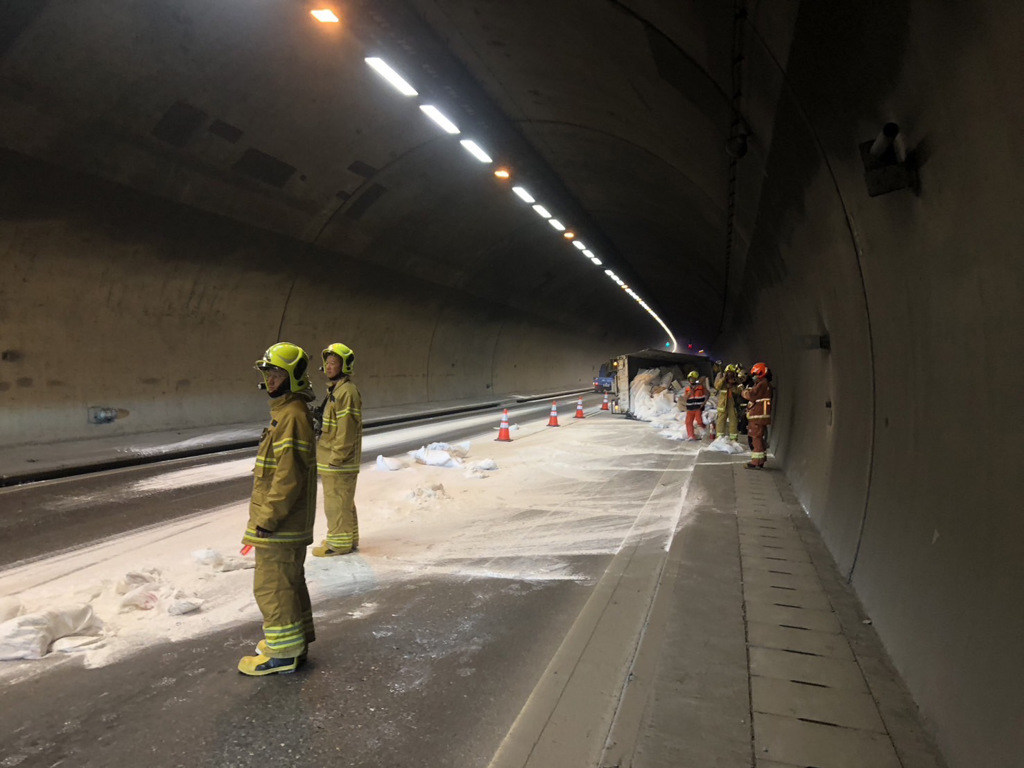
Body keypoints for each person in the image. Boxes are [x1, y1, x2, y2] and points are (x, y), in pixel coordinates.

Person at [239, 342, 317, 676]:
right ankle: (292, 641)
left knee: (272, 586)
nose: (271, 380)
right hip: (285, 521)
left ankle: (282, 654)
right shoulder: (287, 413)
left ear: (294, 377)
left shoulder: (292, 417)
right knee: (288, 582)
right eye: (268, 373)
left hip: (281, 522)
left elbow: (288, 477)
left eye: (277, 374)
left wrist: (267, 519)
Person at [313, 343, 362, 557]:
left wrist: (337, 457)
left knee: (336, 504)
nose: (329, 366)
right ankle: (347, 538)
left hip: (338, 461)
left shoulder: (347, 393)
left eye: (334, 363)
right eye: (328, 363)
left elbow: (346, 430)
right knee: (344, 502)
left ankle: (337, 544)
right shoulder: (337, 390)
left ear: (345, 366)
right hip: (333, 458)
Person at [743, 362, 773, 469]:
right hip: (761, 415)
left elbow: (751, 395)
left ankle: (756, 462)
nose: (754, 377)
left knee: (756, 439)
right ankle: (760, 460)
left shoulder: (762, 384)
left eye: (755, 374)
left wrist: (745, 391)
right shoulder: (765, 384)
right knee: (759, 438)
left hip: (757, 416)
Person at [714, 364, 744, 441]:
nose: (730, 374)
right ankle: (719, 437)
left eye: (731, 373)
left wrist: (732, 387)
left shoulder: (737, 381)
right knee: (721, 421)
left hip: (732, 403)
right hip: (723, 403)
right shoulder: (723, 380)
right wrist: (724, 379)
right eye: (728, 373)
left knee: (733, 421)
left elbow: (740, 390)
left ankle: (733, 438)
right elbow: (717, 386)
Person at [679, 370, 708, 441]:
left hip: (698, 407)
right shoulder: (688, 388)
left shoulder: (701, 387)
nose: (692, 380)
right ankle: (691, 436)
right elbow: (685, 398)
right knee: (688, 422)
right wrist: (690, 393)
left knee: (699, 421)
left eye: (693, 379)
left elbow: (708, 394)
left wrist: (704, 402)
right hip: (690, 408)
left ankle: (705, 429)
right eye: (690, 379)